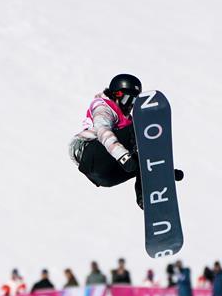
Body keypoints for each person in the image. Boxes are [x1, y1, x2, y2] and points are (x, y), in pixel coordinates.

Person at [69, 74, 183, 209]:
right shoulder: (104, 107)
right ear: (116, 94)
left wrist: (163, 170)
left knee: (143, 161)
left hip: (106, 175)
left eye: (134, 101)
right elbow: (102, 130)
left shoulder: (128, 120)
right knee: (139, 131)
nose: (130, 105)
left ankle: (145, 200)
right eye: (127, 99)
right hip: (89, 154)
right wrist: (122, 156)